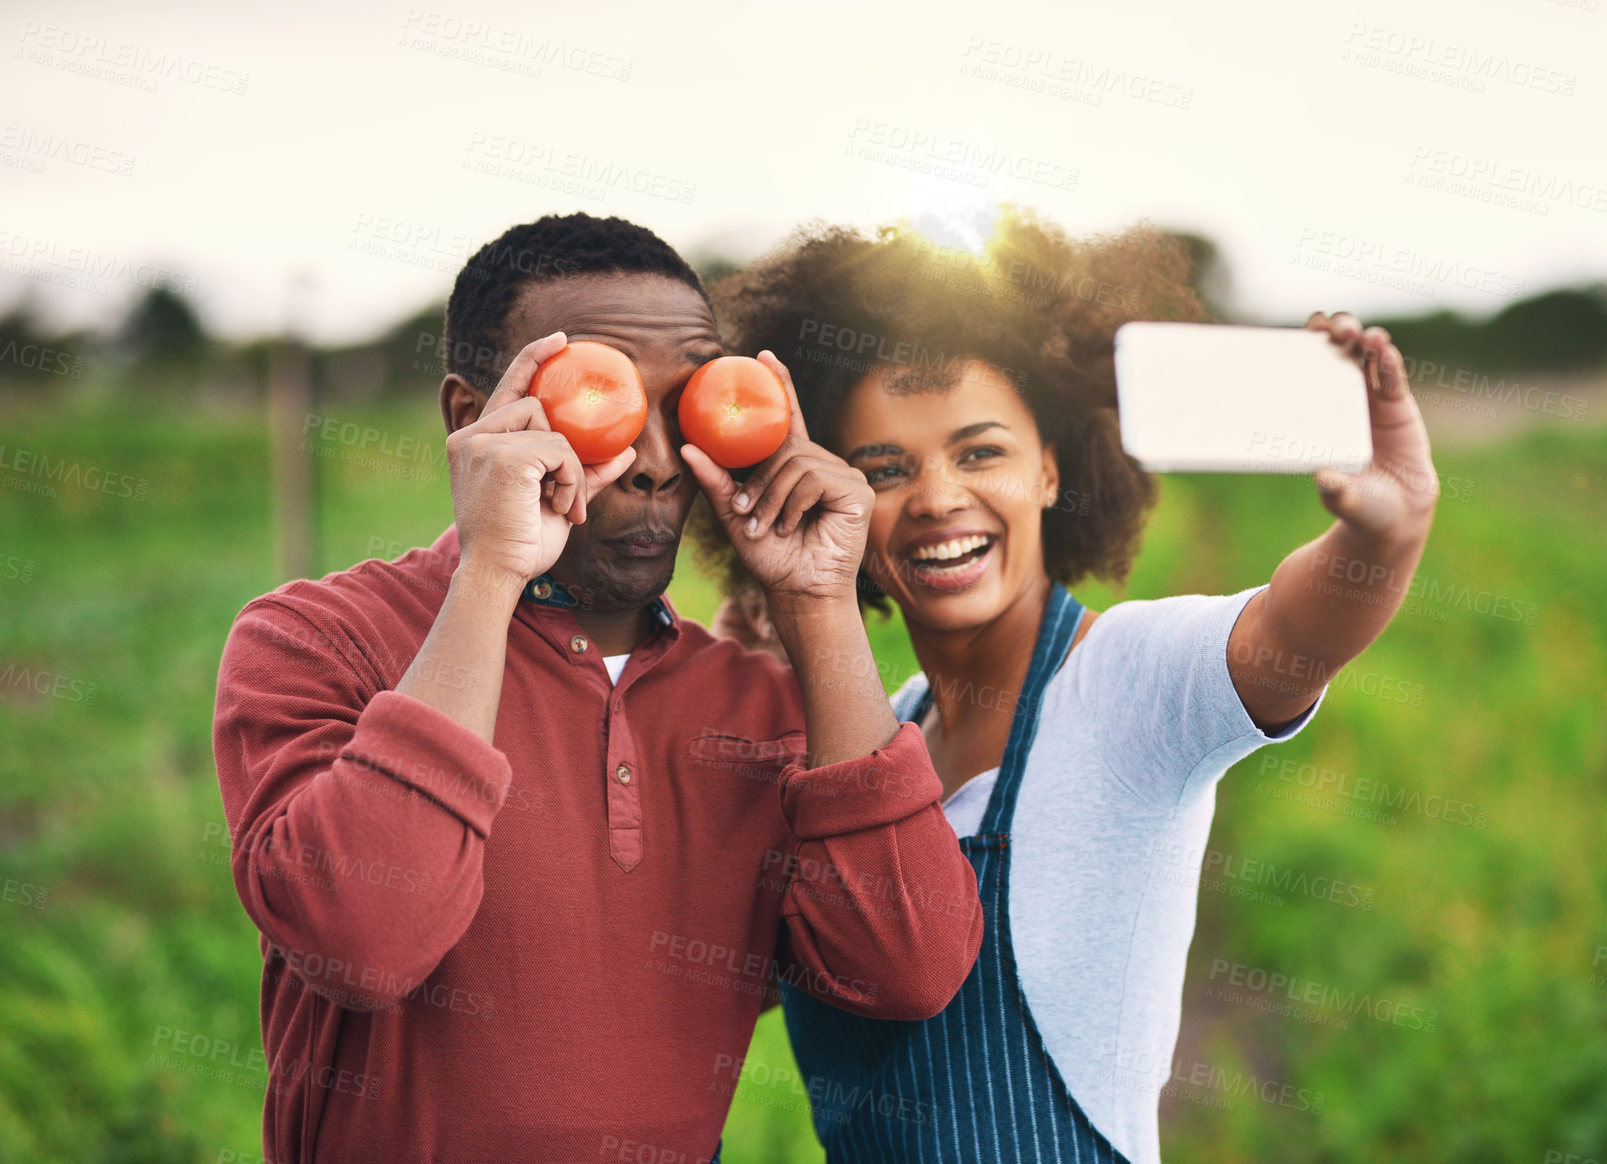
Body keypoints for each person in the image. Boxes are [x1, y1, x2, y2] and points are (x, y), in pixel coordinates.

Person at [210, 212, 982, 1164]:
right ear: (472, 420)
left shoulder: (763, 703)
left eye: (695, 401)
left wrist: (818, 603)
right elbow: (366, 940)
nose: (656, 462)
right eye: (598, 399)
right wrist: (491, 571)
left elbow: (909, 967)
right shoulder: (319, 640)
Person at [703, 208, 1439, 1162]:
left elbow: (1296, 631)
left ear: (1050, 470)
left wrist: (1387, 534)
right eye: (885, 468)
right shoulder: (872, 750)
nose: (936, 498)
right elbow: (730, 969)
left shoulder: (1128, 681)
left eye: (980, 452)